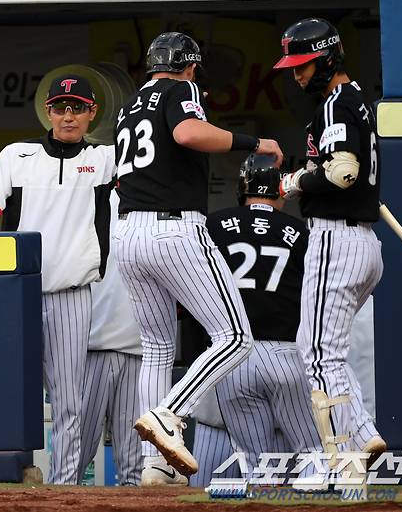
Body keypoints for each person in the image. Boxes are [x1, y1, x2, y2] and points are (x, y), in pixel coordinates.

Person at [113, 31, 283, 482]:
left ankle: (154, 465)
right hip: (173, 229)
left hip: (129, 232)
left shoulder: (129, 106)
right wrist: (256, 143)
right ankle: (169, 415)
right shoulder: (181, 87)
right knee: (234, 336)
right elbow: (188, 132)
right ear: (189, 66)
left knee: (156, 348)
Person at [0, 75, 116, 485]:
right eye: (61, 108)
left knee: (70, 399)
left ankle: (64, 487)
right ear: (48, 111)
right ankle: (6, 477)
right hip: (19, 295)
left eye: (78, 108)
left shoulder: (105, 159)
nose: (69, 116)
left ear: (91, 114)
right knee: (8, 392)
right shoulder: (18, 154)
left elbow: (156, 149)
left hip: (72, 293)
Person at [273, 18, 385, 478]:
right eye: (295, 67)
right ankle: (361, 434)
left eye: (305, 65)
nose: (298, 75)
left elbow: (343, 173)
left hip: (337, 236)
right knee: (323, 350)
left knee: (318, 354)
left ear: (328, 59)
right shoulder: (353, 100)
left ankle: (350, 453)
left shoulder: (337, 104)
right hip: (360, 241)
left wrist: (296, 179)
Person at [206, 154, 322, 480]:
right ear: (281, 190)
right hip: (287, 354)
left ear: (242, 189)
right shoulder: (303, 232)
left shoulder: (212, 225)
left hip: (231, 358)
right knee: (312, 454)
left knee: (257, 468)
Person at [78, 189, 143, 486]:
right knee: (75, 459)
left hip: (139, 349)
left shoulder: (155, 202)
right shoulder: (84, 198)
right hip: (92, 345)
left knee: (135, 467)